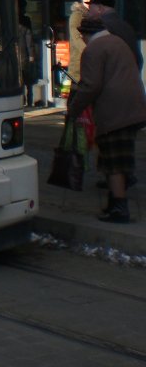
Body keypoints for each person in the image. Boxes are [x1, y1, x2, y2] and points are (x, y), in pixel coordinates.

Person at [68, 17, 146, 223]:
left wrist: (74, 109)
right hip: (133, 108)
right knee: (120, 158)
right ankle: (114, 202)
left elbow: (91, 86)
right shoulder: (118, 42)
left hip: (114, 112)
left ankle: (119, 207)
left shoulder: (93, 50)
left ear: (84, 34)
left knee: (113, 162)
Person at [88, 0, 143, 70]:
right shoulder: (127, 26)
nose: (88, 12)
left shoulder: (100, 27)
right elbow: (139, 59)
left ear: (100, 8)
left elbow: (96, 62)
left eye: (90, 8)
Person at [67, 0, 94, 85]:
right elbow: (77, 38)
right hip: (79, 68)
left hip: (89, 67)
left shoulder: (92, 16)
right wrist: (91, 54)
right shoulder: (77, 16)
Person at [18, 13, 36, 106]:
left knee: (20, 81)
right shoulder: (25, 23)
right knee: (28, 81)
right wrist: (31, 56)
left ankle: (22, 100)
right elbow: (29, 42)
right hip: (24, 56)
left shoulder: (9, 21)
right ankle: (29, 101)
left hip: (16, 57)